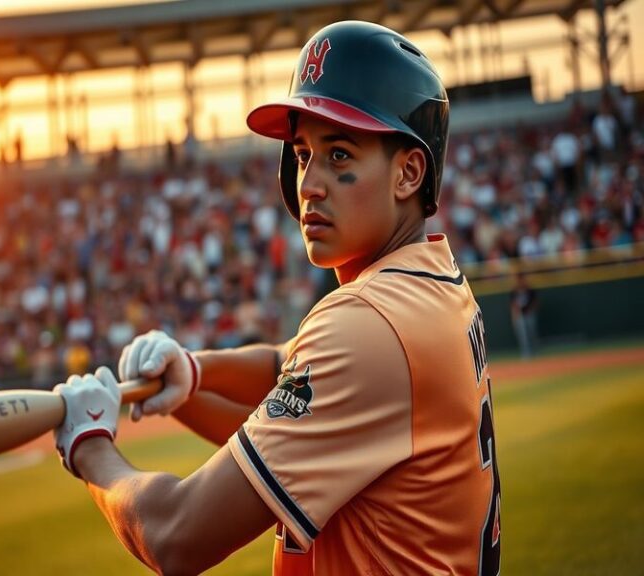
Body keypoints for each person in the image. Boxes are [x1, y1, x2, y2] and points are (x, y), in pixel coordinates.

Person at [53, 21, 501, 575]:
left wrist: (90, 445)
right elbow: (285, 373)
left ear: (408, 172)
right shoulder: (429, 282)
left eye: (340, 156)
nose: (309, 183)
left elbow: (175, 533)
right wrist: (192, 375)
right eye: (304, 154)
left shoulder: (369, 323)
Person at [510, 271, 539, 358]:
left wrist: (531, 310)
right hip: (520, 316)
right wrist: (514, 316)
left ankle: (535, 351)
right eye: (519, 279)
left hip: (529, 314)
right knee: (522, 335)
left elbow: (535, 302)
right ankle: (526, 352)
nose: (521, 281)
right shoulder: (514, 291)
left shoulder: (530, 290)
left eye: (522, 279)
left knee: (532, 333)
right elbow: (513, 305)